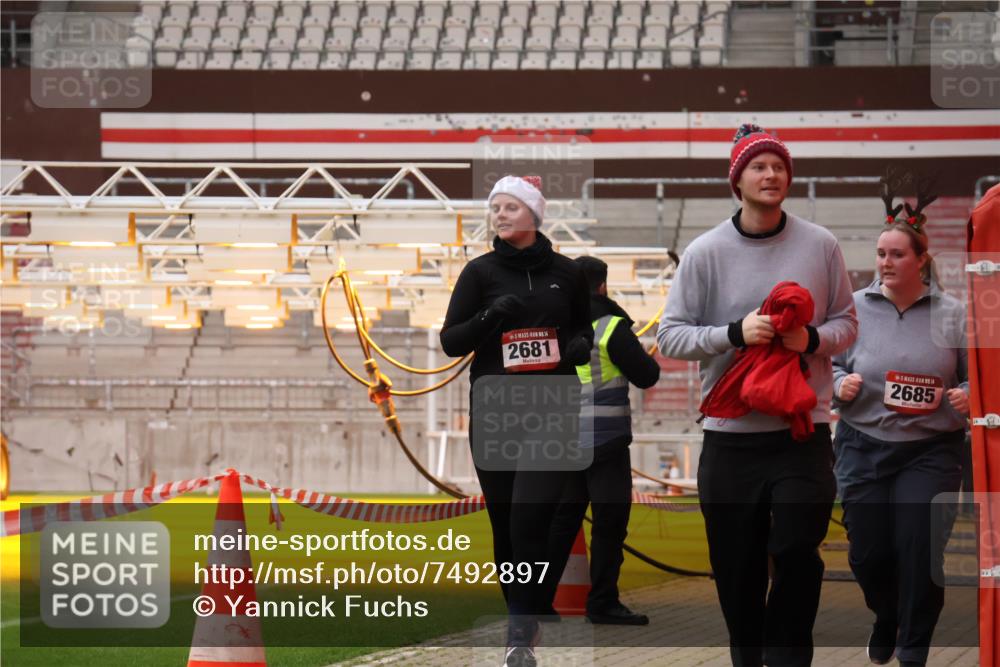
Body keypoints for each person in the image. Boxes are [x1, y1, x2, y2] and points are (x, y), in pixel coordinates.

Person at [657, 124, 858, 667]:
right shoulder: (705, 252)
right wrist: (733, 333)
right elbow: (670, 336)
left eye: (779, 166)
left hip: (802, 434)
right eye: (759, 167)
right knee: (736, 567)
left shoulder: (821, 245)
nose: (772, 175)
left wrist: (811, 339)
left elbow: (847, 323)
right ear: (737, 180)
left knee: (795, 551)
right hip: (731, 441)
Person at [440, 175, 593, 667]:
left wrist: (578, 347)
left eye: (510, 207)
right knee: (507, 528)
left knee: (532, 519)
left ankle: (519, 634)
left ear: (533, 214)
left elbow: (582, 330)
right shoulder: (479, 273)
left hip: (552, 411)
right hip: (496, 413)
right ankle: (521, 622)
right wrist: (490, 317)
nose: (500, 215)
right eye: (496, 208)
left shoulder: (568, 274)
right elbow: (451, 341)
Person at [832, 173, 969, 667]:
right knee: (868, 555)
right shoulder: (852, 308)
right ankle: (884, 615)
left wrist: (968, 394)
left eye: (896, 255)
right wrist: (835, 383)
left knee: (919, 549)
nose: (886, 263)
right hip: (862, 444)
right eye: (881, 253)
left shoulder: (955, 315)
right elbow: (825, 361)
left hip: (931, 451)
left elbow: (982, 378)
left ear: (921, 261)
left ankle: (913, 647)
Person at [544, 255, 661, 625]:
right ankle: (603, 602)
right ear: (602, 285)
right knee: (610, 523)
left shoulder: (552, 326)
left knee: (562, 523)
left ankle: (537, 600)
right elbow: (646, 376)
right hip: (604, 440)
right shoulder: (610, 326)